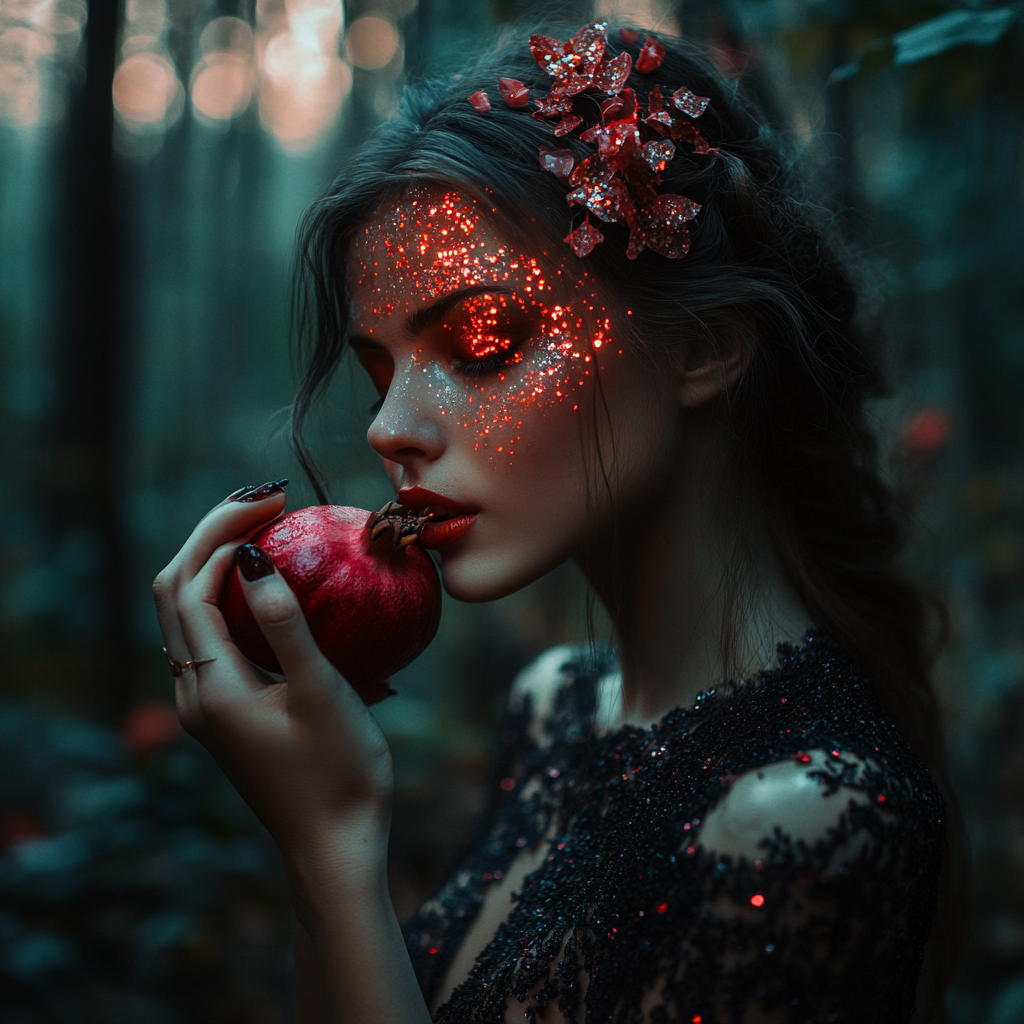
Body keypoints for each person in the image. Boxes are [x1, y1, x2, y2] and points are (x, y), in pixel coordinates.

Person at [152, 21, 960, 1024]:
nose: (390, 428)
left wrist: (330, 847)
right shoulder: (554, 707)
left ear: (699, 347)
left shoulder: (807, 821)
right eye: (380, 370)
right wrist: (320, 854)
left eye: (482, 341)